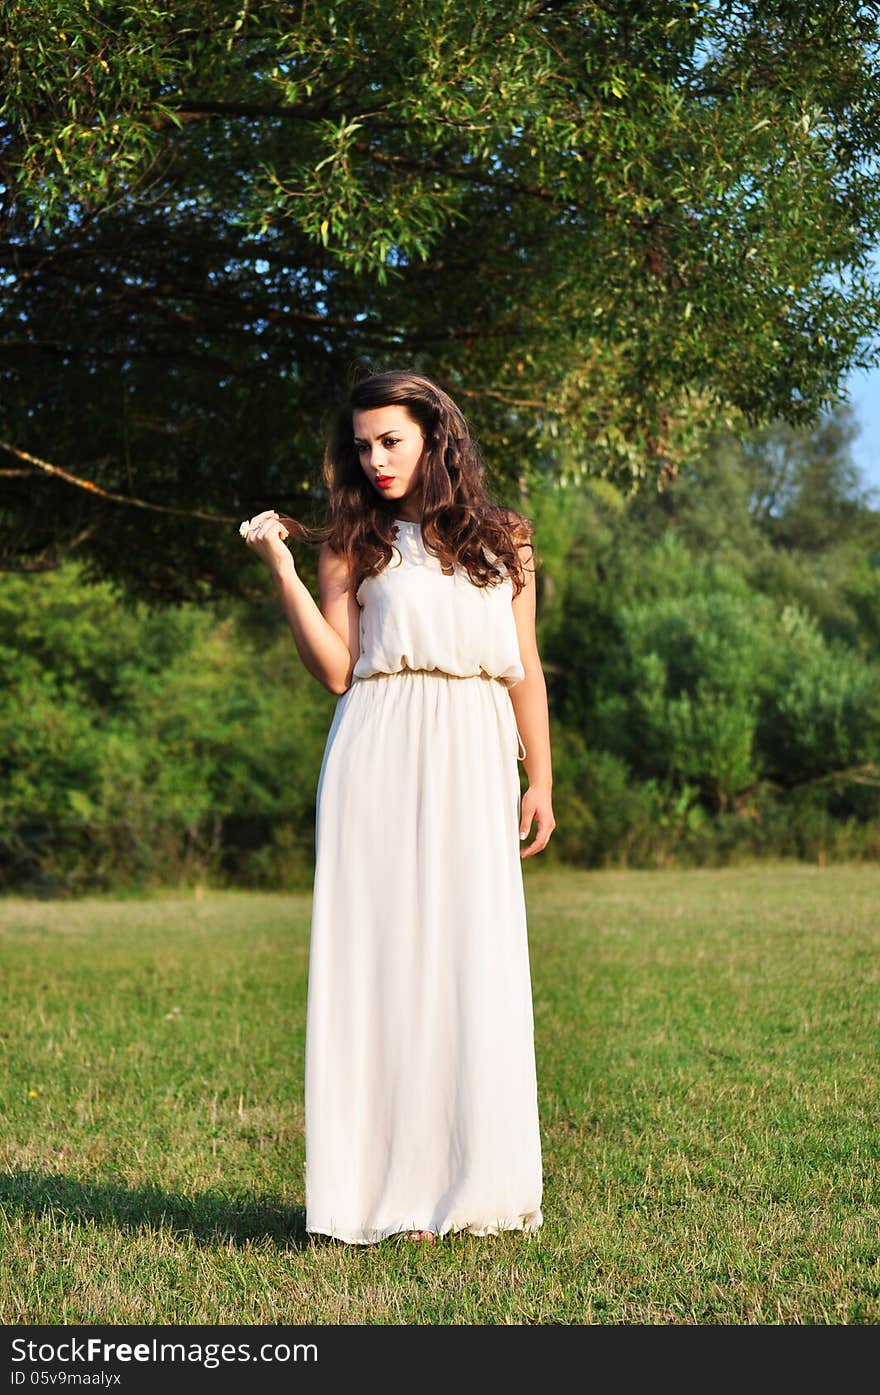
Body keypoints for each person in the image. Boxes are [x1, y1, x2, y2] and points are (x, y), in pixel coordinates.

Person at [240, 369, 555, 1245]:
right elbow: (337, 669)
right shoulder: (352, 541)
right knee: (380, 965)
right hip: (377, 744)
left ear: (434, 437)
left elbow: (522, 665)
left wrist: (543, 778)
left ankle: (475, 1186)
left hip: (474, 744)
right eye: (362, 444)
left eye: (391, 440)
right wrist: (284, 569)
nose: (374, 458)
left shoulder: (506, 539)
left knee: (470, 958)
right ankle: (375, 1194)